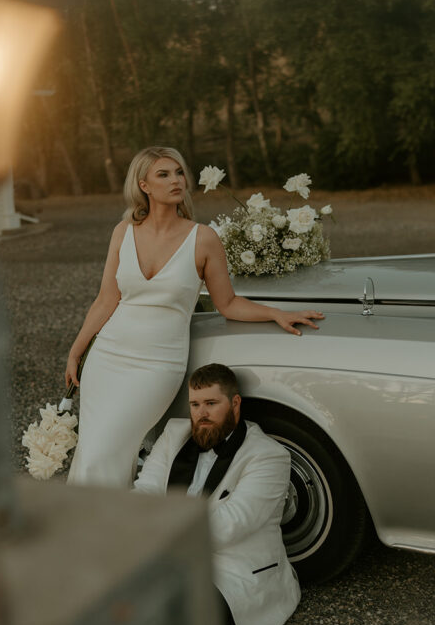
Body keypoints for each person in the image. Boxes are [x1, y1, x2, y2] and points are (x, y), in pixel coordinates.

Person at [65, 146, 323, 488]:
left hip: (155, 365)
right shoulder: (123, 231)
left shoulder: (203, 239)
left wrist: (276, 314)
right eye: (164, 174)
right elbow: (105, 300)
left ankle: (103, 529)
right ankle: (98, 532)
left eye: (179, 173)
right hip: (108, 357)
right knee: (93, 449)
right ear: (144, 185)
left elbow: (227, 303)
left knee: (112, 446)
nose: (176, 181)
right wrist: (77, 350)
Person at [134, 363, 300, 625]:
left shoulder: (269, 456)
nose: (202, 414)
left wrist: (157, 528)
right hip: (167, 551)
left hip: (230, 570)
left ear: (235, 403)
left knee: (172, 622)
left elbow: (230, 524)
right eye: (195, 404)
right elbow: (145, 493)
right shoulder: (175, 433)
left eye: (211, 403)